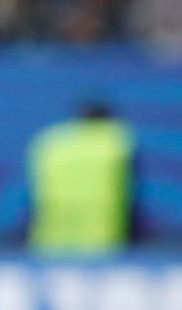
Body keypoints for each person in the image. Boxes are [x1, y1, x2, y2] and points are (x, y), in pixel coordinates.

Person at [26, 102, 135, 255]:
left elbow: (35, 189)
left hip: (52, 235)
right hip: (102, 236)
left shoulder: (50, 141)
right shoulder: (117, 140)